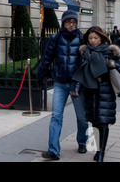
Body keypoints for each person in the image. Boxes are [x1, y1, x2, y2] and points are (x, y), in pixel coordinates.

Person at [37, 10, 88, 160]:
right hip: (60, 83)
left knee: (82, 117)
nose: (71, 25)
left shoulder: (82, 38)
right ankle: (53, 149)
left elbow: (85, 62)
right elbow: (47, 58)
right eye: (68, 22)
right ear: (63, 23)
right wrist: (40, 75)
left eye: (74, 22)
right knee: (56, 116)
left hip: (76, 84)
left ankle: (82, 141)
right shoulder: (56, 38)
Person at [72, 26, 120, 162]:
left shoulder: (109, 52)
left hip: (105, 92)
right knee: (94, 123)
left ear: (101, 38)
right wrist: (77, 90)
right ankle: (97, 150)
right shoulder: (85, 53)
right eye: (90, 38)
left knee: (103, 123)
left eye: (96, 38)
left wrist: (113, 64)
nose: (93, 41)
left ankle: (101, 153)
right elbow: (81, 72)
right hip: (91, 92)